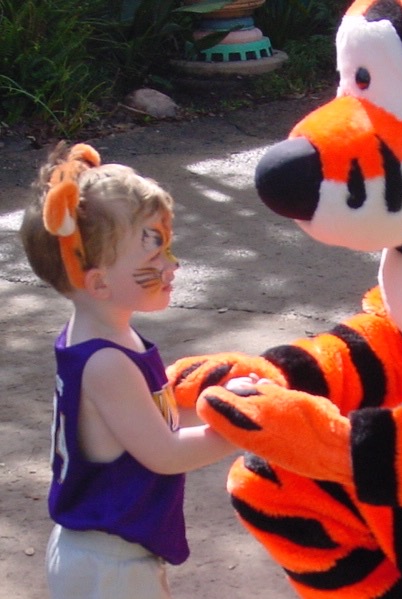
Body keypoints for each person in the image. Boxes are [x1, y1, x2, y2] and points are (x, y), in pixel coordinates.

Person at [19, 142, 238, 599]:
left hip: (108, 555)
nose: (171, 265)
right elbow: (165, 453)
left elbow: (145, 419)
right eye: (153, 255)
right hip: (110, 564)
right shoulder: (106, 362)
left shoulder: (106, 337)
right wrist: (242, 426)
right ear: (98, 282)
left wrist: (206, 396)